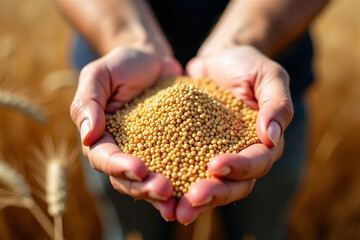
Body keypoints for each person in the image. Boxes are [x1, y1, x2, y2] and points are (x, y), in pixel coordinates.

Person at [56, 0, 329, 239]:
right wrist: (128, 38)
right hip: (117, 95)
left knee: (262, 230)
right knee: (130, 232)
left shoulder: (247, 120)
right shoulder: (122, 119)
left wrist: (240, 41)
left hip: (257, 94)